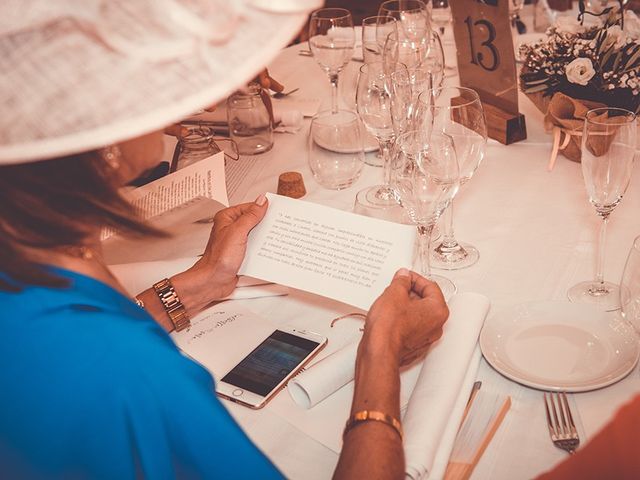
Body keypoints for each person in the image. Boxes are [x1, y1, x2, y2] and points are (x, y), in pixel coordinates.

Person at [0, 1, 448, 477]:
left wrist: (200, 283)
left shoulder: (37, 254)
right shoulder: (123, 372)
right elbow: (96, 360)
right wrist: (381, 354)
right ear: (101, 133)